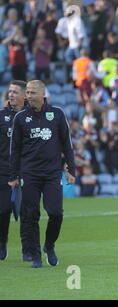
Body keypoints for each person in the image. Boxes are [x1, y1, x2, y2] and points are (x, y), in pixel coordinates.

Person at [8, 80, 76, 268]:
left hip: (52, 173)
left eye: (32, 93)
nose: (28, 96)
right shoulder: (21, 118)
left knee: (56, 213)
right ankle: (36, 255)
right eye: (27, 92)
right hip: (29, 174)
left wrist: (71, 169)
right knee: (31, 215)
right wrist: (13, 175)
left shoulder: (57, 114)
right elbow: (15, 150)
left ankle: (49, 245)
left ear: (42, 94)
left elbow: (67, 145)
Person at [0, 80, 27, 261]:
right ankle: (2, 242)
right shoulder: (2, 116)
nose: (11, 94)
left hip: (27, 170)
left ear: (25, 95)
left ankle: (29, 248)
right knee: (3, 209)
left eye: (15, 91)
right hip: (3, 169)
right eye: (10, 91)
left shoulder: (32, 116)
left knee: (29, 212)